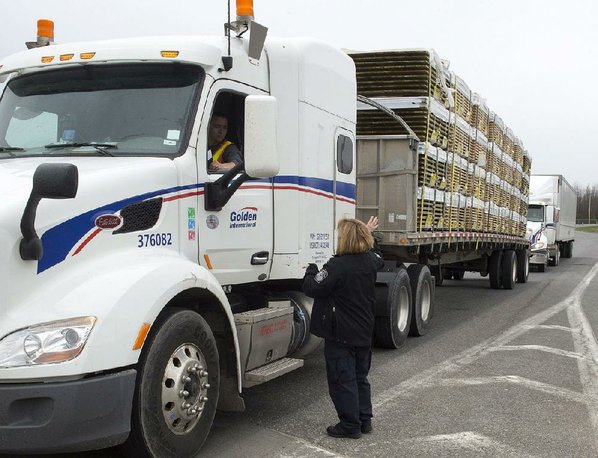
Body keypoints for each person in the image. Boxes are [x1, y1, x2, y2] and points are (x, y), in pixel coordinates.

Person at [302, 216, 384, 439]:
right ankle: (364, 420)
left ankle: (349, 425)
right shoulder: (370, 261)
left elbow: (312, 287)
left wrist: (310, 269)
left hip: (342, 333)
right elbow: (378, 255)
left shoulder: (336, 266)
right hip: (363, 331)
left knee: (342, 379)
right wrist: (366, 232)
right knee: (360, 377)